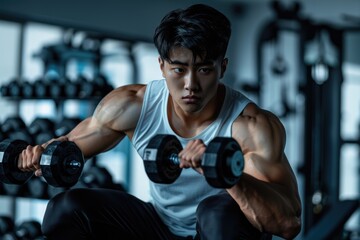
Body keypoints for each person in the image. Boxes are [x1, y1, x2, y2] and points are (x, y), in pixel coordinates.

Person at [19, 3, 301, 240]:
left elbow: (288, 223)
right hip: (158, 226)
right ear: (162, 66)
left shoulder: (250, 126)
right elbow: (69, 148)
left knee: (215, 212)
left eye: (204, 70)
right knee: (65, 208)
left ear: (222, 68)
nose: (191, 85)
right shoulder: (132, 105)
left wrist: (229, 176)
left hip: (218, 230)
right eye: (179, 69)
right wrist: (39, 156)